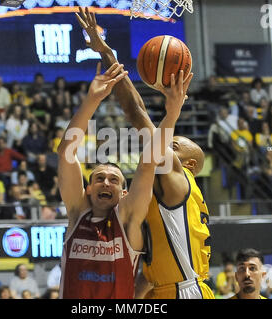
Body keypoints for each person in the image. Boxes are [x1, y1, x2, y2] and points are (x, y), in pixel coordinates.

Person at [76, 7, 213, 299]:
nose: (168, 144)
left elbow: (136, 112)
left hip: (184, 292)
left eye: (174, 145)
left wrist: (107, 52)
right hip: (167, 289)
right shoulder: (163, 191)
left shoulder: (177, 177)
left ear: (188, 163)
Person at [58, 59, 179, 298]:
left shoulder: (127, 219)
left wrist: (172, 113)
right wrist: (92, 99)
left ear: (124, 194)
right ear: (88, 190)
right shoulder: (77, 213)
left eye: (114, 180)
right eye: (99, 178)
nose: (105, 182)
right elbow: (66, 152)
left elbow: (148, 164)